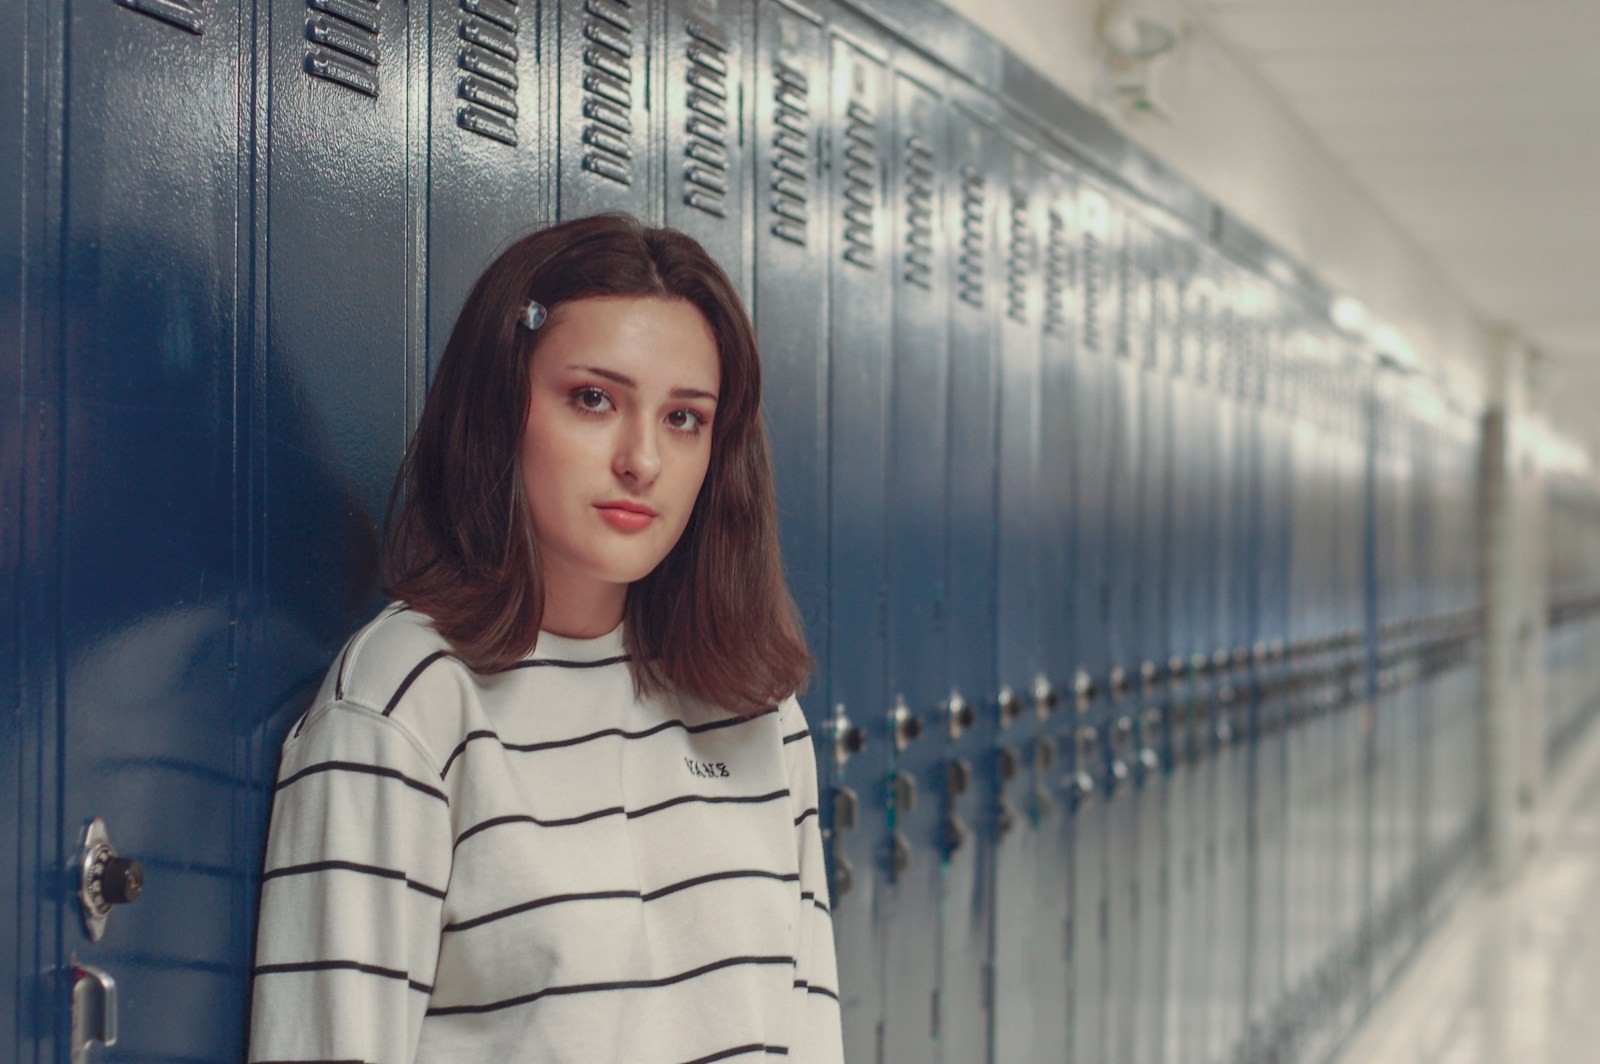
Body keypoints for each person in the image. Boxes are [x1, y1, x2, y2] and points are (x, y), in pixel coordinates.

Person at [248, 214, 844, 1064]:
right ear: (503, 410)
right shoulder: (407, 706)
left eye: (684, 419)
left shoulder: (753, 703)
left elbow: (809, 1030)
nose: (642, 459)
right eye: (594, 399)